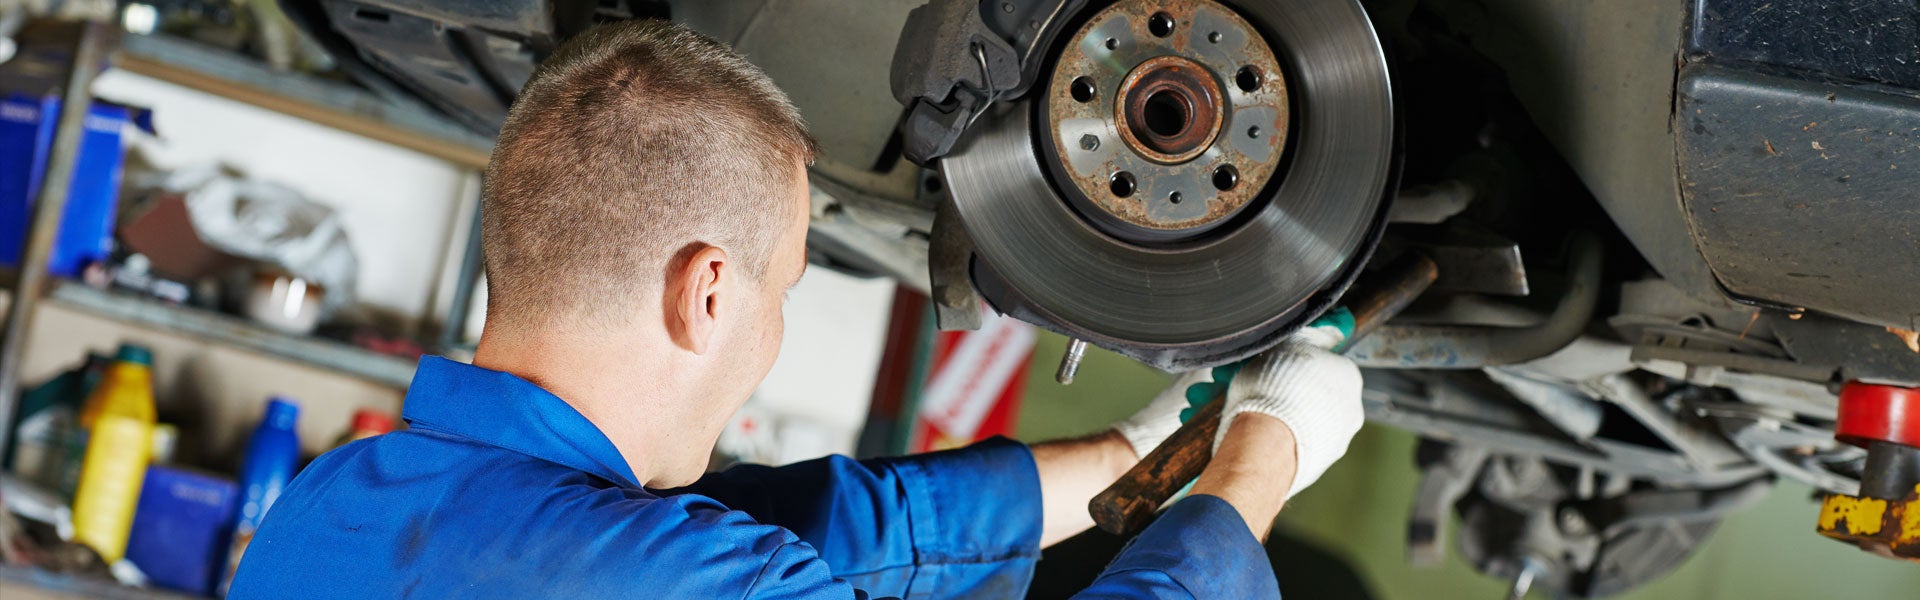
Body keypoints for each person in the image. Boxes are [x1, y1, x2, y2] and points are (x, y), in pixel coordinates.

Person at [229, 19, 1363, 599]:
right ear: (707, 291)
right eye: (783, 290)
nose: (770, 329)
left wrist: (1143, 448)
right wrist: (1258, 467)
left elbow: (818, 532)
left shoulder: (330, 503)